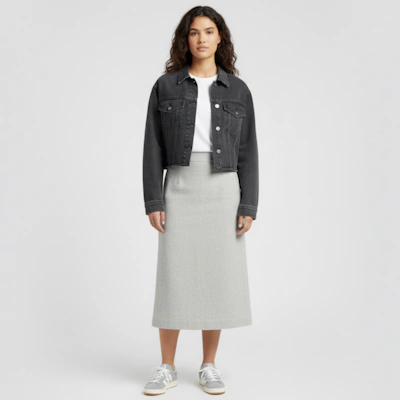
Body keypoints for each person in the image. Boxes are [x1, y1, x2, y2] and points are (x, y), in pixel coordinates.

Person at [142, 5, 259, 396]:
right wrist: (153, 200)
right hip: (179, 184)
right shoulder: (166, 86)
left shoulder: (238, 90)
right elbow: (153, 146)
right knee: (173, 277)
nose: (202, 39)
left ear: (219, 37)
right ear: (186, 39)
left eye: (209, 31)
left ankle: (208, 365)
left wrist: (248, 204)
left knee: (217, 277)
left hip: (224, 188)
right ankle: (167, 367)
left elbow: (248, 151)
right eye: (194, 32)